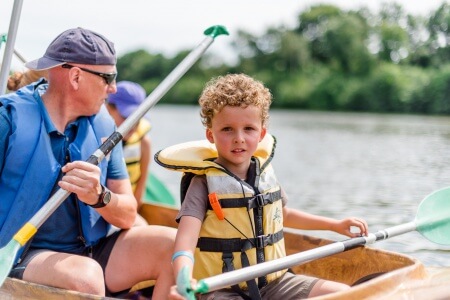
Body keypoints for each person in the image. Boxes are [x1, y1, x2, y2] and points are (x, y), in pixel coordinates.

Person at [155, 73, 369, 300]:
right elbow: (184, 243)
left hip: (275, 282)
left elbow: (282, 214)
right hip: (222, 289)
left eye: (249, 129)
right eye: (227, 129)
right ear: (211, 135)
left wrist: (335, 225)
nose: (239, 138)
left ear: (261, 134)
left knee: (343, 294)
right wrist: (183, 277)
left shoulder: (263, 174)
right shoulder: (202, 184)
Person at [0, 27, 176, 299]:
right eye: (108, 78)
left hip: (91, 249)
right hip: (21, 252)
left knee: (172, 245)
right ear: (76, 76)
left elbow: (128, 213)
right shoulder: (7, 121)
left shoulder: (104, 124)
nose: (113, 88)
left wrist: (99, 196)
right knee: (86, 276)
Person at [106, 81, 151, 226]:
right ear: (108, 109)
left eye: (138, 118)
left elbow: (141, 183)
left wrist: (132, 212)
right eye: (126, 117)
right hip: (103, 206)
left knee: (143, 227)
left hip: (127, 209)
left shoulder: (144, 143)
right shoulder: (98, 139)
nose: (133, 124)